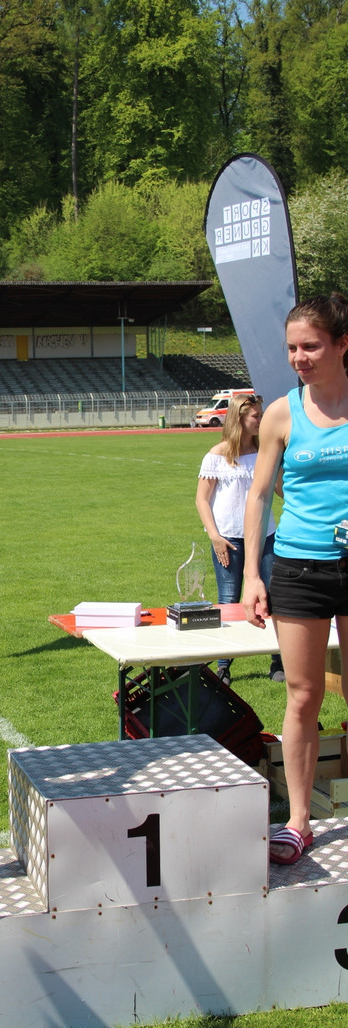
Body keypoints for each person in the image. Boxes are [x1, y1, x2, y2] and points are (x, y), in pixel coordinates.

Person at [243, 293, 348, 866]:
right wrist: (251, 574)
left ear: (342, 344)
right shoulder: (283, 411)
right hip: (300, 568)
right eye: (291, 348)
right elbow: (259, 494)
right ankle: (300, 821)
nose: (299, 357)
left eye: (311, 346)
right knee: (303, 695)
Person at [195, 393, 284, 685]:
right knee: (229, 600)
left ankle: (279, 661)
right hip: (229, 539)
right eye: (256, 416)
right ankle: (223, 665)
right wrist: (215, 536)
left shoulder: (266, 452)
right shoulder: (217, 455)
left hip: (266, 535)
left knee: (272, 597)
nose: (261, 420)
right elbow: (202, 500)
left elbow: (283, 488)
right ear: (239, 419)